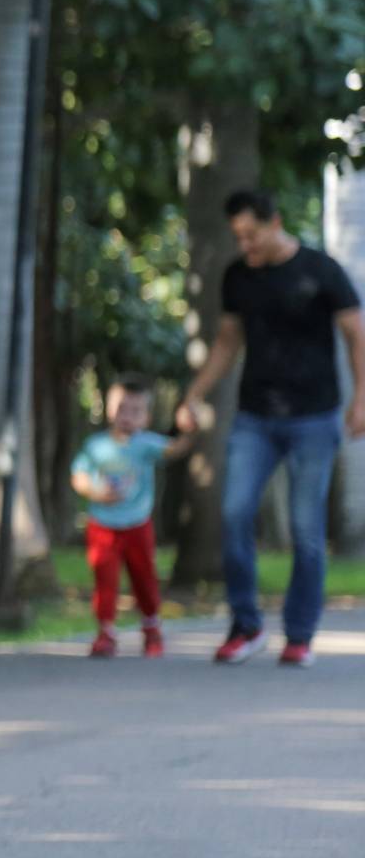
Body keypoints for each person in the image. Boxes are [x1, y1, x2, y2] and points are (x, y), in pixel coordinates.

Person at [177, 189, 365, 668]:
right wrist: (194, 394)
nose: (245, 245)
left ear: (275, 222)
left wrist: (361, 397)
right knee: (235, 512)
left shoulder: (321, 271)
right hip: (254, 418)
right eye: (238, 237)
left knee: (306, 530)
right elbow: (226, 341)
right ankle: (247, 624)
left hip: (315, 419)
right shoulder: (239, 276)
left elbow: (355, 334)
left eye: (252, 234)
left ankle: (299, 635)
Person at [70, 375, 196, 658]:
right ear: (109, 409)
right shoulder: (95, 445)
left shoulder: (147, 444)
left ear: (146, 417)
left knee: (144, 577)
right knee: (105, 580)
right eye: (121, 408)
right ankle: (105, 632)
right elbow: (78, 476)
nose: (127, 416)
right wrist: (95, 492)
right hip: (101, 524)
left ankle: (151, 629)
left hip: (138, 523)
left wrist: (190, 431)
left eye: (135, 411)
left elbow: (175, 449)